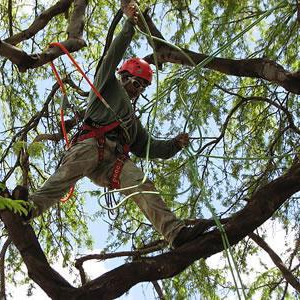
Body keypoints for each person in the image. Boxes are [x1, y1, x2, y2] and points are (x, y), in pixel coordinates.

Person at [28, 2, 210, 248]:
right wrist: (129, 24)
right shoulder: (106, 86)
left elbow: (150, 147)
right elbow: (111, 56)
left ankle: (175, 233)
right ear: (124, 77)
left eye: (142, 87)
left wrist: (175, 144)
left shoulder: (132, 123)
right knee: (63, 179)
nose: (137, 90)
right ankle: (27, 209)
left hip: (114, 163)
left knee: (142, 183)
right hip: (90, 146)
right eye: (136, 83)